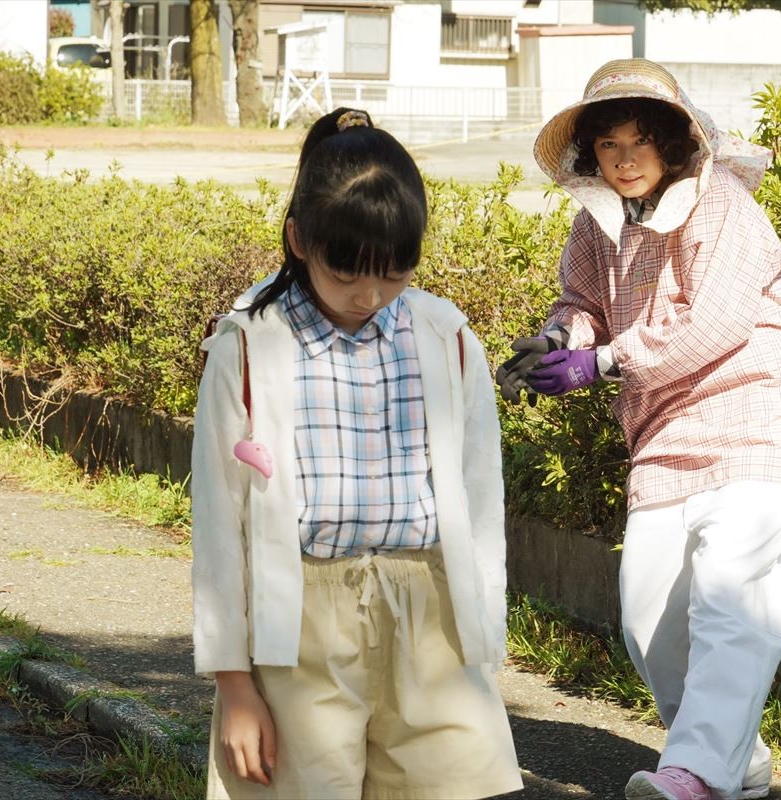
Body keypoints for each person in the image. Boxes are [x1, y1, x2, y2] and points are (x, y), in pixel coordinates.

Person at [497, 60, 781, 800]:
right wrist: (558, 342)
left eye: (641, 140)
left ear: (675, 142)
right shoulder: (595, 222)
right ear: (590, 152)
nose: (624, 157)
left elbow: (710, 325)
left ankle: (696, 775)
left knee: (733, 600)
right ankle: (731, 757)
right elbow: (580, 300)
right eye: (608, 143)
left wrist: (601, 363)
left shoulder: (725, 204)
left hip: (759, 416)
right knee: (649, 621)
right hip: (664, 429)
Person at [192, 107, 522, 800]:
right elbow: (219, 522)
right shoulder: (248, 345)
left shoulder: (446, 337)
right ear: (298, 240)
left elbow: (481, 494)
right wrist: (234, 684)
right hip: (301, 628)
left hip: (431, 616)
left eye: (395, 275)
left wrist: (484, 633)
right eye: (346, 274)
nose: (369, 297)